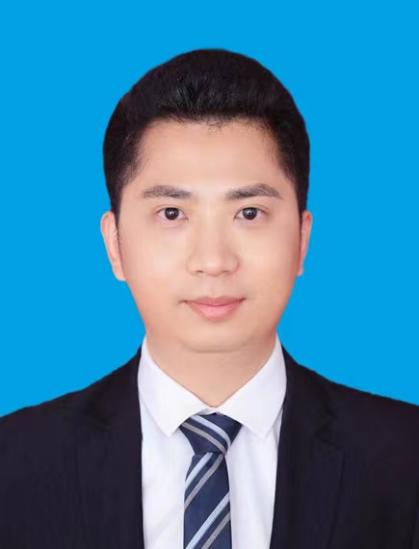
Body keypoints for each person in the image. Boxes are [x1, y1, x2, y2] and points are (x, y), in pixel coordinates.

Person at [0, 48, 418, 549]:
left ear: (302, 240)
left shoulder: (404, 459)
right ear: (115, 245)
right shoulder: (15, 465)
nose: (214, 261)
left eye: (249, 213)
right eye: (172, 214)